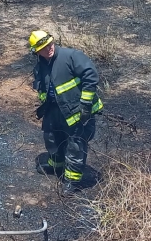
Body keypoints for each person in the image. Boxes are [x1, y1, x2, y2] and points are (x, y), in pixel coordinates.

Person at [29, 30, 103, 196]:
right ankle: (56, 165)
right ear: (36, 51)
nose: (48, 49)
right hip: (55, 110)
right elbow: (42, 88)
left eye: (49, 44)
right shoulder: (40, 66)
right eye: (43, 47)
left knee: (75, 146)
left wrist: (85, 104)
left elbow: (90, 76)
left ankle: (72, 181)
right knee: (52, 138)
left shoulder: (71, 56)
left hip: (77, 110)